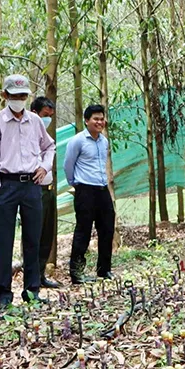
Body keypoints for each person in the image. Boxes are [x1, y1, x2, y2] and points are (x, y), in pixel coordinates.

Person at [0, 75, 55, 306]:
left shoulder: (35, 121)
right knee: (5, 241)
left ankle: (32, 290)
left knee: (32, 239)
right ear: (5, 95)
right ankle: (4, 293)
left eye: (23, 96)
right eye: (14, 96)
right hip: (7, 184)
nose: (19, 100)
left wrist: (44, 168)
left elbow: (49, 146)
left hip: (32, 185)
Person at [64, 104, 115, 284]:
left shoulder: (104, 141)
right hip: (85, 189)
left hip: (102, 189)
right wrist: (75, 183)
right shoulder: (77, 141)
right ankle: (77, 272)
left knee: (107, 228)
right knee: (83, 231)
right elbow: (68, 165)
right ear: (87, 121)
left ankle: (104, 270)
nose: (99, 122)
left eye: (102, 119)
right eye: (95, 119)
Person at [30, 96, 61, 290]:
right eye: (44, 115)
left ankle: (41, 275)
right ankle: (31, 278)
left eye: (50, 116)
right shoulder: (27, 135)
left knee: (47, 235)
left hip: (48, 190)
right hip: (35, 190)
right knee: (35, 235)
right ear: (34, 114)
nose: (47, 119)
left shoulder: (47, 137)